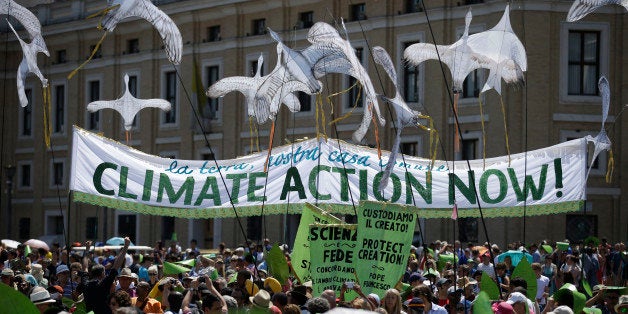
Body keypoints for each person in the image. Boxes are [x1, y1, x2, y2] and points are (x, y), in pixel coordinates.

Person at [85, 237, 132, 314]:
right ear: (103, 274)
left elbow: (85, 267)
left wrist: (87, 250)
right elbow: (115, 267)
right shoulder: (103, 285)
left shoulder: (85, 284)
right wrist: (126, 246)